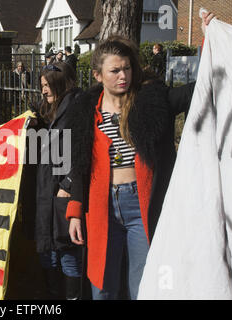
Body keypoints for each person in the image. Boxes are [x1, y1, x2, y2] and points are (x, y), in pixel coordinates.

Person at [67, 12, 215, 300]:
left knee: (146, 285)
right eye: (114, 71)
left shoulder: (152, 100)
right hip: (101, 207)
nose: (123, 76)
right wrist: (74, 211)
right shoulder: (85, 110)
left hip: (145, 204)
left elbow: (197, 92)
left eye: (126, 69)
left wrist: (208, 40)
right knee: (102, 287)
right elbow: (80, 163)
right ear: (98, 75)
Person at [33, 62, 84, 300]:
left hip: (62, 192)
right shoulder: (56, 110)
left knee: (67, 254)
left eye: (47, 85)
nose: (43, 90)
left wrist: (68, 185)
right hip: (50, 192)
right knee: (51, 254)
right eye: (42, 85)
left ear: (60, 83)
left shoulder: (76, 108)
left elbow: (83, 151)